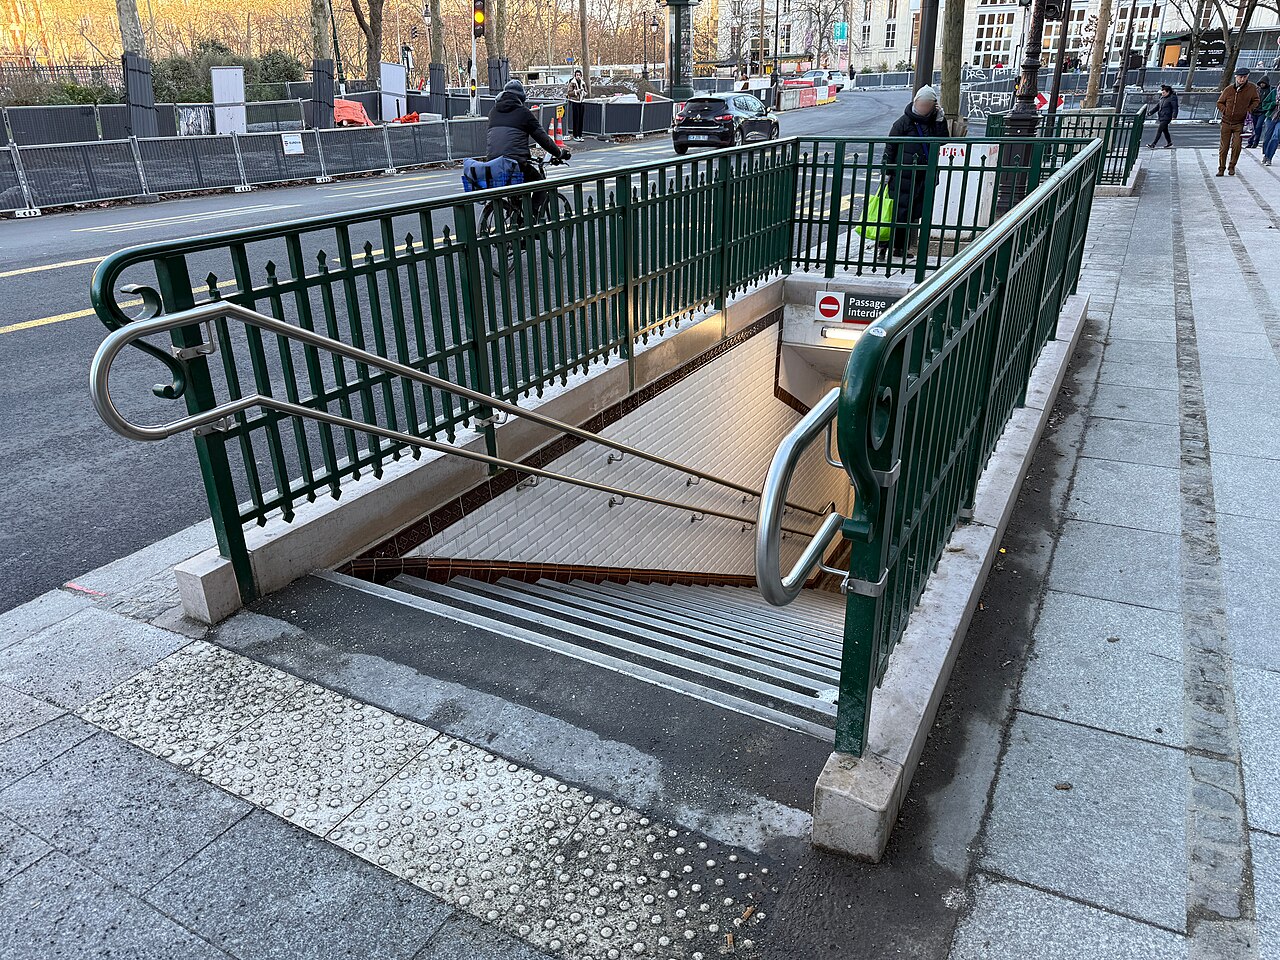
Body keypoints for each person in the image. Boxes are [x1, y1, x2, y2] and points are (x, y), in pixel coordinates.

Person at [880, 85, 949, 258]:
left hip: (924, 176)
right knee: (898, 212)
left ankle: (900, 248)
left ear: (933, 105)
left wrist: (941, 120)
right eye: (921, 104)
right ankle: (885, 246)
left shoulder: (936, 121)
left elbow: (943, 142)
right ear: (915, 102)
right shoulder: (903, 122)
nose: (923, 108)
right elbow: (891, 147)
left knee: (914, 213)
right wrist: (888, 171)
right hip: (903, 174)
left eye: (927, 105)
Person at [486, 79, 570, 217]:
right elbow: (543, 139)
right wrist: (559, 153)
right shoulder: (523, 112)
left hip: (493, 163)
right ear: (521, 98)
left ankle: (517, 216)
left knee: (515, 190)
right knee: (540, 184)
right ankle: (531, 217)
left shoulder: (493, 112)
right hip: (515, 163)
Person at [1216, 68, 1260, 176]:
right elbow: (1219, 103)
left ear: (1247, 77)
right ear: (1236, 77)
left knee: (1236, 146)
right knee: (1224, 147)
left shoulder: (1251, 88)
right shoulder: (1229, 89)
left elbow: (1256, 100)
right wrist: (1225, 110)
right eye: (1240, 77)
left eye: (1245, 77)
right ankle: (1221, 168)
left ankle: (1232, 166)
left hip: (1240, 123)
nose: (1242, 79)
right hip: (1226, 122)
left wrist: (1248, 109)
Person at [1247, 76, 1274, 147]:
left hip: (1262, 112)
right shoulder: (1257, 90)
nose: (1262, 84)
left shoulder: (1269, 90)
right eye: (1261, 83)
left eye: (1263, 83)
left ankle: (1256, 142)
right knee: (1252, 127)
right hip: (1254, 111)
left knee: (1258, 127)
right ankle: (1250, 142)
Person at [565, 69, 587, 142]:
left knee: (581, 119)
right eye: (577, 75)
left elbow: (586, 92)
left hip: (581, 102)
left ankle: (580, 135)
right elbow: (569, 93)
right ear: (575, 76)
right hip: (575, 102)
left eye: (579, 75)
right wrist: (576, 92)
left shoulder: (583, 83)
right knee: (576, 119)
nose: (578, 76)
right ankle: (575, 135)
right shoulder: (572, 83)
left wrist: (584, 93)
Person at [1262, 92, 1280, 166]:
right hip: (1271, 117)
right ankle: (1266, 155)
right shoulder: (1274, 92)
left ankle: (1269, 157)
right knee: (1267, 138)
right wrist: (1274, 103)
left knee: (1275, 137)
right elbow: (1264, 105)